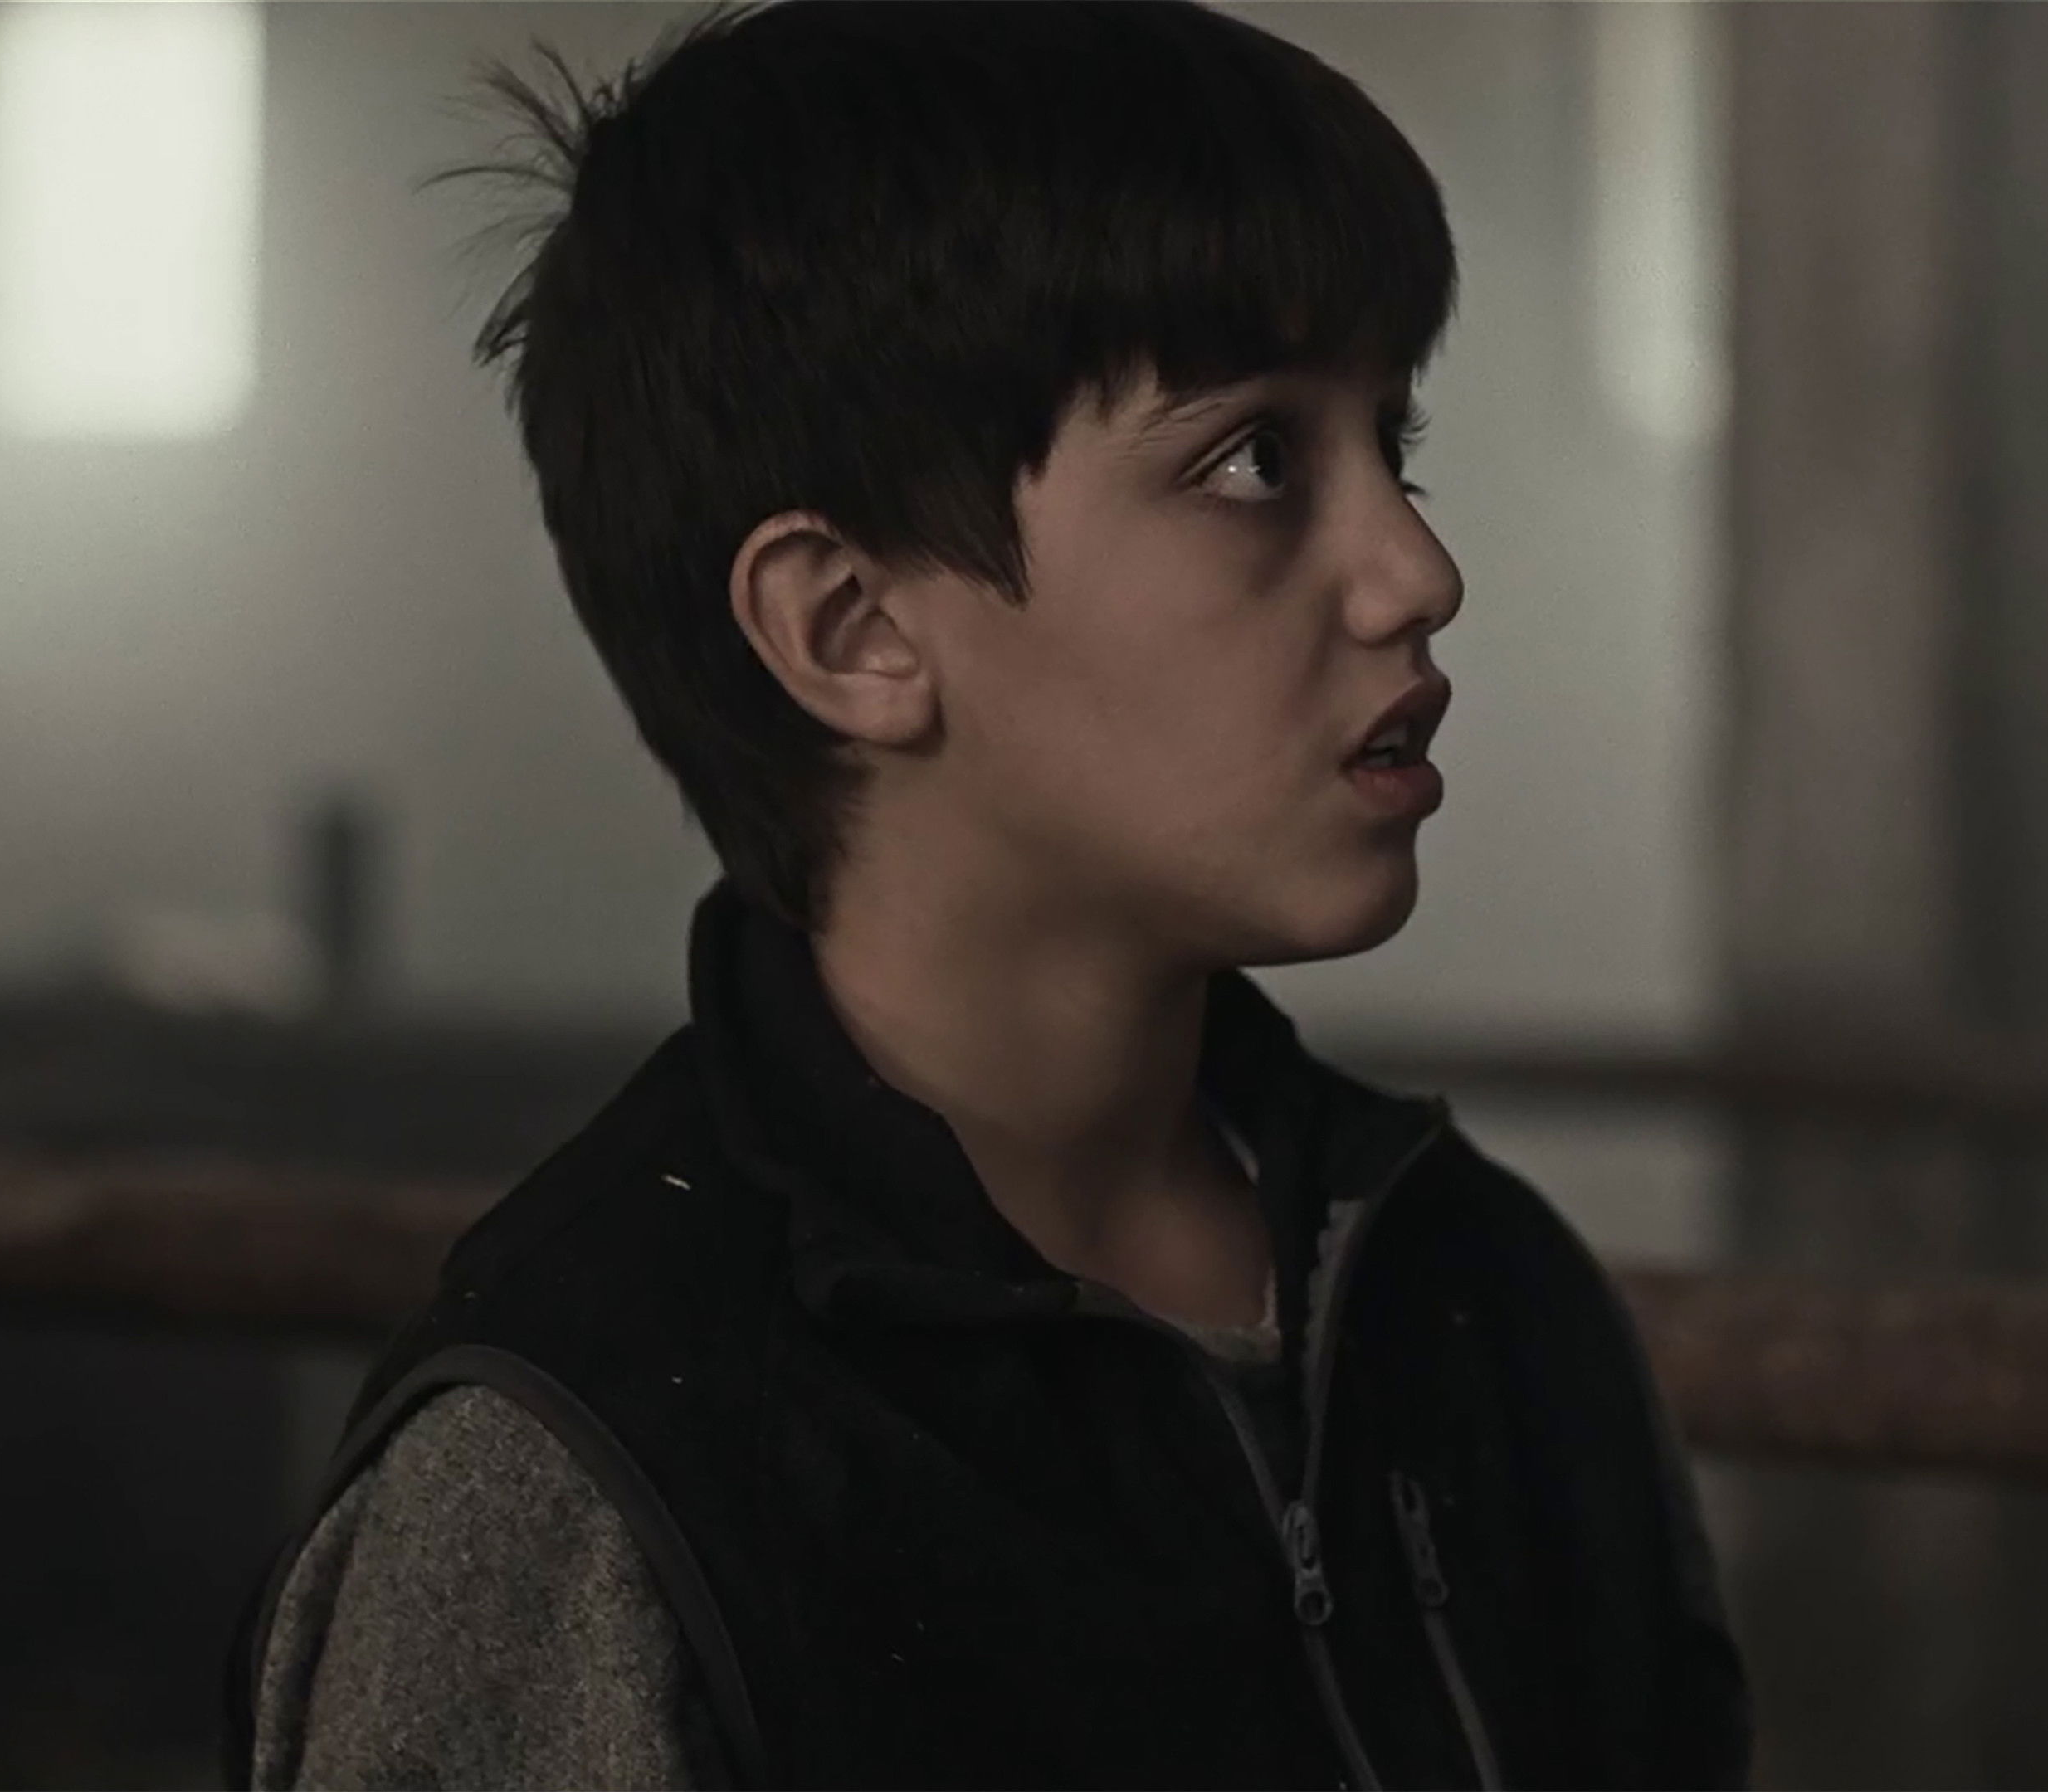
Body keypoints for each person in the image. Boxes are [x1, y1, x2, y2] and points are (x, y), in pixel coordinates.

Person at [231, 2, 1748, 1785]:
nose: (1417, 570)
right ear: (853, 629)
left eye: (1390, 447)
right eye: (1254, 461)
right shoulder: (585, 1482)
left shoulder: (1481, 1295)